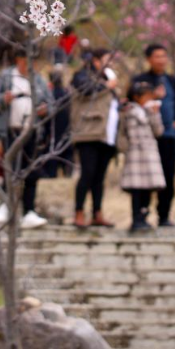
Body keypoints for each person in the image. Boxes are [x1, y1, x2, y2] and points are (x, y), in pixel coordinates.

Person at [0, 47, 52, 230]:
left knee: (31, 172)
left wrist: (45, 109)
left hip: (31, 132)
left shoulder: (38, 80)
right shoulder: (6, 77)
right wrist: (3, 99)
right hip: (10, 131)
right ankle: (5, 205)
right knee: (9, 170)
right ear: (18, 60)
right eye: (25, 61)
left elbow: (51, 103)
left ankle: (29, 211)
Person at [132, 43, 175, 227]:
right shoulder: (140, 80)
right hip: (148, 137)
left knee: (168, 175)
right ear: (149, 59)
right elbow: (133, 100)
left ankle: (164, 216)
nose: (161, 60)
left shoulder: (172, 80)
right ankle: (142, 215)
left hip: (169, 136)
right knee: (146, 175)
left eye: (164, 56)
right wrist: (154, 95)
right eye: (157, 56)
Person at [70, 48, 118, 228]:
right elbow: (85, 90)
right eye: (107, 59)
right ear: (96, 60)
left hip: (106, 135)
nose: (110, 63)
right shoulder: (82, 75)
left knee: (99, 177)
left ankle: (97, 212)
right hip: (88, 133)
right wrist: (107, 86)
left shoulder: (107, 79)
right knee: (87, 174)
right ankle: (79, 212)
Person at [120, 81, 166, 232]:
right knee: (136, 189)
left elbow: (159, 131)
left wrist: (155, 113)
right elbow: (125, 132)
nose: (149, 99)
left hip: (150, 155)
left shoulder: (150, 111)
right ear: (136, 97)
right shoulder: (128, 111)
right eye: (146, 96)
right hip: (135, 154)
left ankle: (145, 216)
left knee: (149, 187)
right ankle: (136, 219)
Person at [42, 64, 75, 179]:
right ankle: (67, 173)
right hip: (66, 130)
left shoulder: (50, 95)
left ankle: (52, 175)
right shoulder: (67, 94)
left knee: (52, 156)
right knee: (66, 153)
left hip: (53, 131)